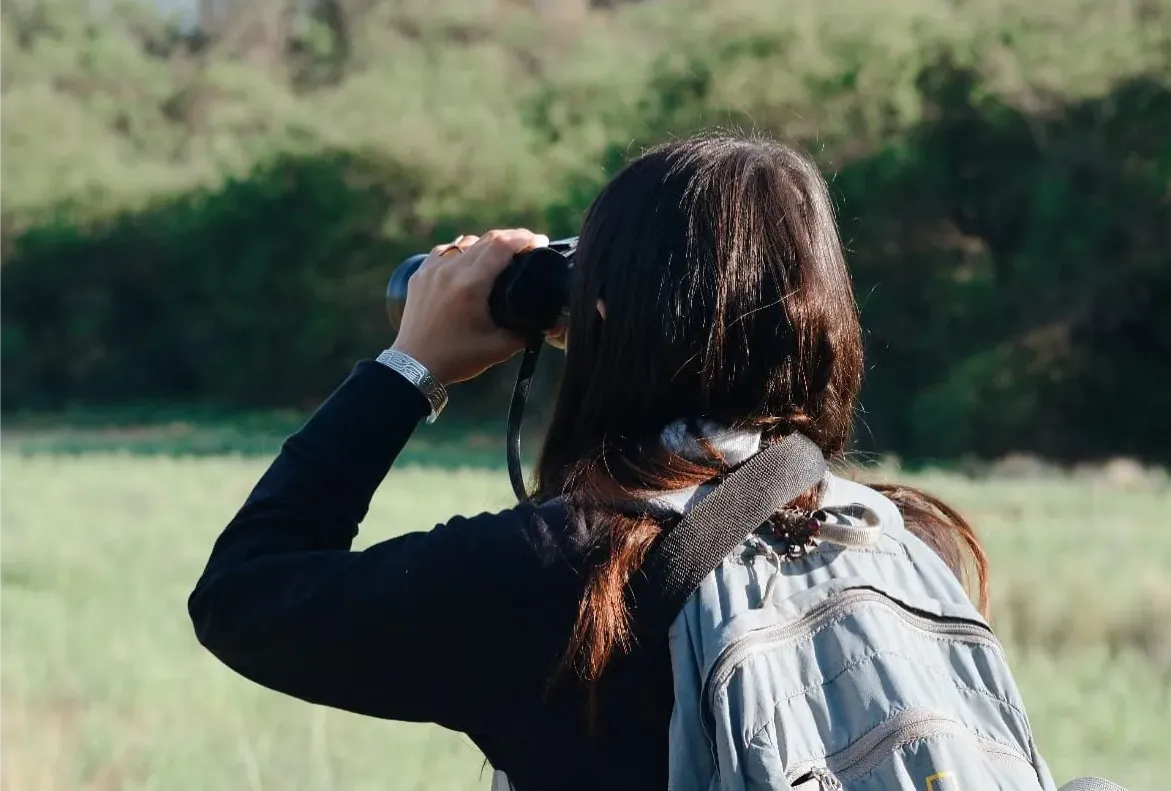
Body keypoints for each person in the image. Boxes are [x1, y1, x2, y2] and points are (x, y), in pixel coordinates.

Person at [188, 133, 990, 791]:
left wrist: (408, 367)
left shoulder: (565, 577)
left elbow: (244, 596)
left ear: (597, 310)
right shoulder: (904, 537)